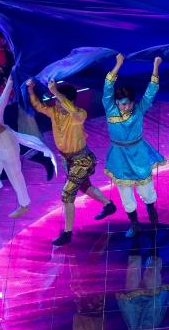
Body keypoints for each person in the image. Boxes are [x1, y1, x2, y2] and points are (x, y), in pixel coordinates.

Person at [28, 78, 116, 245]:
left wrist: (55, 92)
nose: (58, 104)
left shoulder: (79, 115)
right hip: (68, 161)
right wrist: (31, 89)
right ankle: (108, 205)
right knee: (84, 186)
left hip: (83, 160)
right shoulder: (54, 112)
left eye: (61, 101)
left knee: (67, 195)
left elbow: (72, 110)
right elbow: (38, 106)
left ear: (69, 102)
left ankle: (67, 234)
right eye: (56, 101)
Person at [0, 58, 55, 219]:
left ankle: (24, 205)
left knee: (15, 175)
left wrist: (16, 65)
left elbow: (11, 80)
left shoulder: (0, 100)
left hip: (6, 144)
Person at [103, 54, 165, 238]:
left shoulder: (139, 109)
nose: (127, 107)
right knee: (125, 194)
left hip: (138, 153)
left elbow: (151, 91)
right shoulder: (110, 108)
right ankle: (135, 224)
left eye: (129, 103)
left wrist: (156, 66)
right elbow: (107, 87)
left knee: (146, 190)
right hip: (119, 156)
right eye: (123, 104)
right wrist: (118, 64)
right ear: (116, 102)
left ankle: (152, 214)